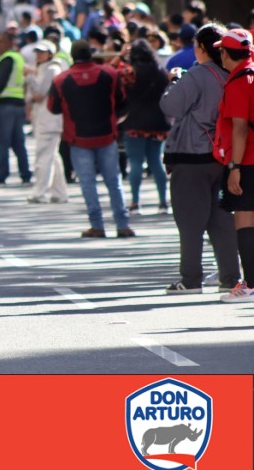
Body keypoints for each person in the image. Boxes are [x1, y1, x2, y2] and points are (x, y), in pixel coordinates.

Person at [160, 23, 239, 294]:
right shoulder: (233, 75)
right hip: (224, 156)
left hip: (191, 156)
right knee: (221, 221)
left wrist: (174, 81)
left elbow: (170, 106)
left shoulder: (197, 75)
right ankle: (230, 277)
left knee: (190, 221)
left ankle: (191, 279)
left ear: (203, 48)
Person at [48, 40, 135, 238]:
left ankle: (97, 225)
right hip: (106, 135)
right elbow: (123, 101)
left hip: (78, 139)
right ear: (91, 54)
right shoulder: (109, 74)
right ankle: (122, 224)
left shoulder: (61, 80)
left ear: (72, 56)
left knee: (88, 184)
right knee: (114, 181)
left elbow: (53, 107)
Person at [211, 29, 254, 302]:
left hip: (247, 160)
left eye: (222, 51)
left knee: (244, 220)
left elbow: (239, 128)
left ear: (227, 54)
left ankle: (249, 284)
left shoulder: (239, 82)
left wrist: (234, 167)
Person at [120, 39, 171, 214]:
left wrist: (120, 57)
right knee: (156, 162)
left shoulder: (130, 72)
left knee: (135, 163)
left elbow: (117, 81)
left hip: (134, 121)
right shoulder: (161, 71)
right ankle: (163, 202)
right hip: (157, 121)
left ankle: (135, 202)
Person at [0, 30, 32, 186]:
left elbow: (2, 82)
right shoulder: (17, 58)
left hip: (4, 105)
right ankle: (25, 174)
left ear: (10, 43)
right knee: (18, 142)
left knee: (3, 141)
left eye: (1, 41)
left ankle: (2, 174)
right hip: (17, 104)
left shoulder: (7, 59)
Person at [25, 40, 67, 203]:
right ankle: (60, 192)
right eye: (37, 52)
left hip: (49, 120)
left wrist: (30, 77)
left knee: (43, 156)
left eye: (42, 52)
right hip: (44, 119)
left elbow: (39, 94)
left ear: (50, 54)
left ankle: (40, 192)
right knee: (52, 156)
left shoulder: (51, 69)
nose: (39, 55)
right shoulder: (43, 69)